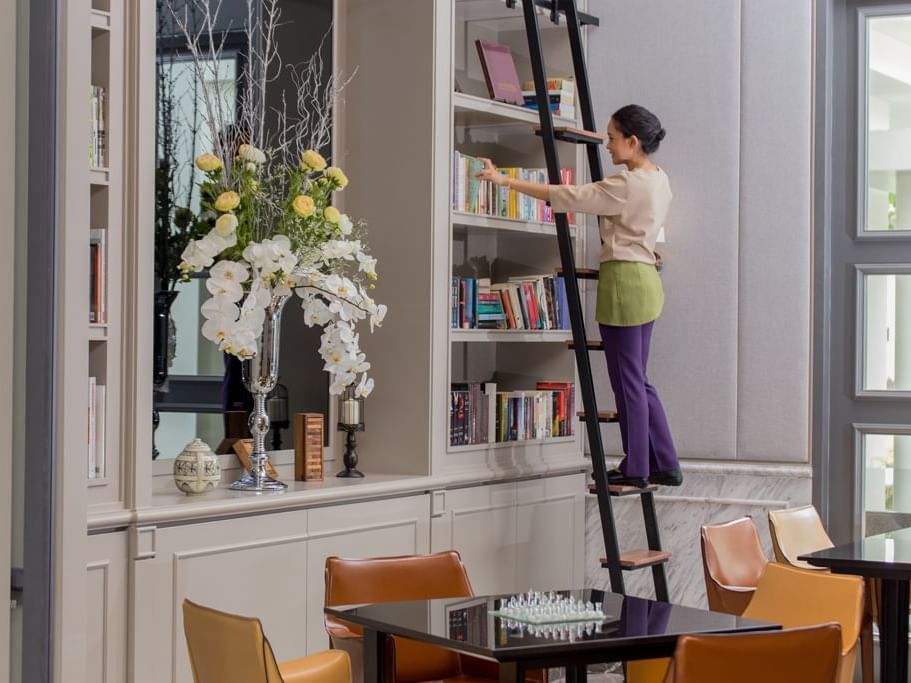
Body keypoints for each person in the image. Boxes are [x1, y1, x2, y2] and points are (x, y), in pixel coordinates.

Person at [475, 104, 681, 488]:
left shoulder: (625, 184)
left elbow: (570, 195)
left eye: (613, 137)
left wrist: (505, 182)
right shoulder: (660, 179)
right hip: (648, 281)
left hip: (623, 281)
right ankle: (664, 461)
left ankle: (637, 466)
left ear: (633, 142)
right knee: (640, 379)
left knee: (627, 382)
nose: (607, 144)